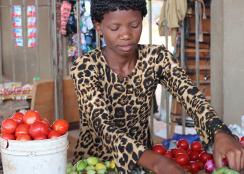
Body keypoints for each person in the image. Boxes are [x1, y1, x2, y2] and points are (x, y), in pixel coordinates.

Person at [70, 0, 244, 173]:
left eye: (134, 25)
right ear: (98, 26)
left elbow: (191, 97)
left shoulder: (156, 58)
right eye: (115, 28)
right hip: (95, 164)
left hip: (142, 166)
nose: (126, 34)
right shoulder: (85, 67)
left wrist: (220, 132)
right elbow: (102, 125)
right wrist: (156, 163)